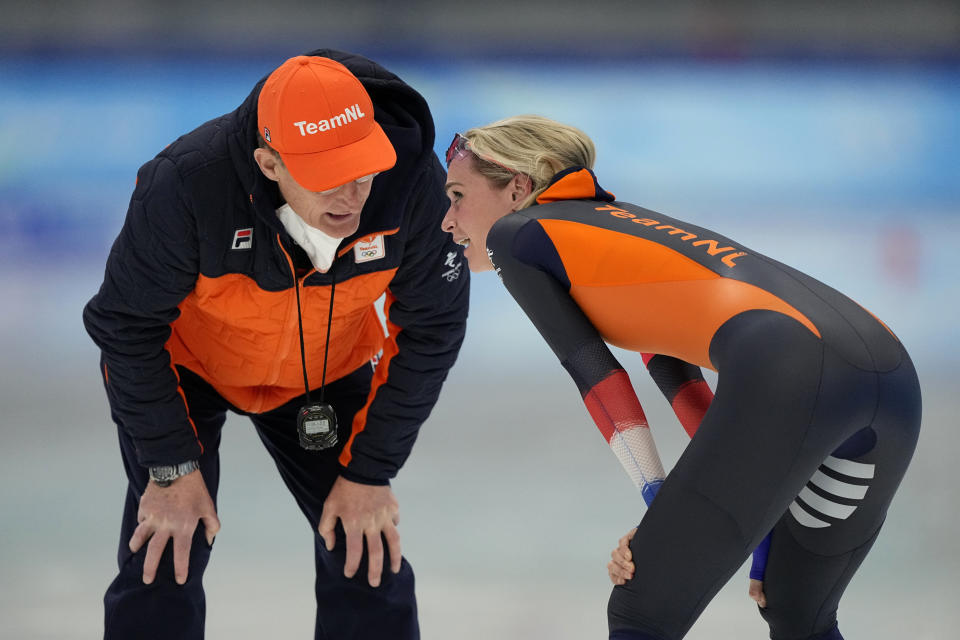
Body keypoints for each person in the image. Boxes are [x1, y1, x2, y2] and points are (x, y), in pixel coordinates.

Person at [439, 115, 921, 640]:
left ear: (518, 189)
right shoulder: (612, 226)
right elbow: (682, 382)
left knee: (641, 613)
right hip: (890, 374)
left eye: (458, 195)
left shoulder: (518, 235)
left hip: (794, 370)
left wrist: (661, 511)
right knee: (798, 612)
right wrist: (726, 529)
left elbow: (600, 382)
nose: (448, 221)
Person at [82, 50, 468, 640]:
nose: (353, 195)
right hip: (190, 365)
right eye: (327, 175)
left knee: (365, 556)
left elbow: (431, 329)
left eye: (363, 168)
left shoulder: (413, 186)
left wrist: (370, 472)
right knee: (165, 551)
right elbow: (125, 325)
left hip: (325, 370)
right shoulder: (186, 183)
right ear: (268, 162)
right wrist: (170, 468)